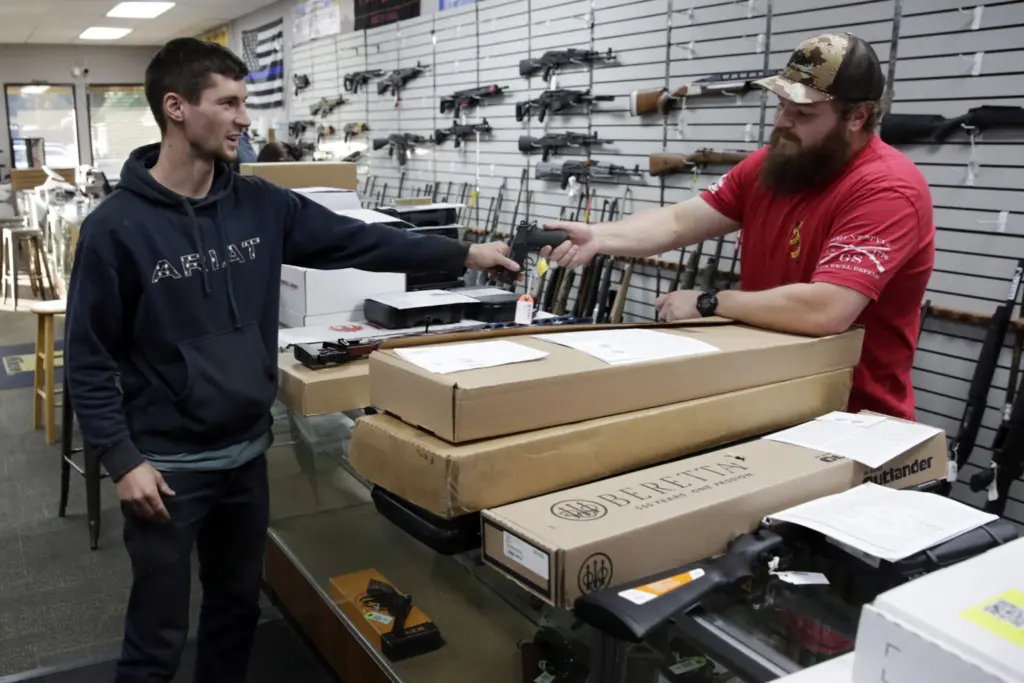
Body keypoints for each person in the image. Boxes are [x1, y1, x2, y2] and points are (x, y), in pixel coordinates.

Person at [64, 38, 516, 683]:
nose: (245, 118)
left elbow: (357, 239)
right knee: (157, 638)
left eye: (244, 101)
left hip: (246, 456)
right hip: (166, 471)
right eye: (229, 102)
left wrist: (463, 256)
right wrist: (121, 459)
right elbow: (86, 357)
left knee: (235, 612)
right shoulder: (116, 229)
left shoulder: (260, 203)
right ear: (177, 108)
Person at [543, 33, 935, 422]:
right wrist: (599, 237)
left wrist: (709, 302)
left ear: (858, 117)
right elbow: (680, 221)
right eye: (782, 106)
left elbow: (827, 310)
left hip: (853, 417)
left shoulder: (887, 188)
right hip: (769, 397)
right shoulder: (773, 164)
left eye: (803, 114)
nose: (782, 122)